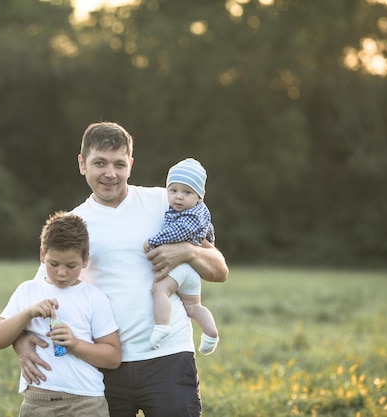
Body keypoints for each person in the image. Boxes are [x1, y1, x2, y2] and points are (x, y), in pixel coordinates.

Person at [14, 122, 229, 417]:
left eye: (119, 164)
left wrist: (188, 251)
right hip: (103, 367)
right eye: (99, 163)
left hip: (168, 358)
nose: (110, 174)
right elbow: (41, 291)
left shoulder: (165, 203)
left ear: (131, 164)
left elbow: (219, 270)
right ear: (82, 164)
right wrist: (20, 338)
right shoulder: (74, 223)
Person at [0, 211, 121, 417]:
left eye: (71, 266)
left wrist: (75, 344)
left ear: (85, 260)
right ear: (42, 255)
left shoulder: (94, 297)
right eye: (53, 264)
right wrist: (28, 314)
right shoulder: (28, 291)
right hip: (37, 403)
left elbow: (113, 357)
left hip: (86, 403)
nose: (61, 273)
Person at [145, 158, 219, 355]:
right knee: (194, 307)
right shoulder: (202, 212)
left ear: (199, 197)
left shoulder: (189, 216)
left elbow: (177, 232)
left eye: (187, 192)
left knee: (159, 290)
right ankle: (210, 333)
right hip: (191, 271)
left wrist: (153, 242)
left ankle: (162, 326)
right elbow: (209, 234)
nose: (178, 197)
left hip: (180, 267)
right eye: (173, 190)